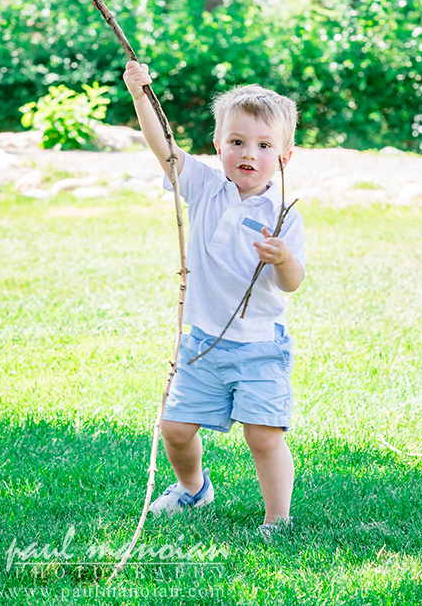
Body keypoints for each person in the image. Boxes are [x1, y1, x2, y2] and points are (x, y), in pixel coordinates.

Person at [123, 61, 306, 537]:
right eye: (238, 142)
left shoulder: (282, 213)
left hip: (259, 345)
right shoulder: (205, 188)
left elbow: (292, 282)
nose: (250, 153)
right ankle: (193, 488)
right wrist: (142, 96)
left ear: (286, 156)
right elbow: (164, 149)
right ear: (218, 146)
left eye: (265, 145)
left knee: (263, 436)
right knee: (175, 429)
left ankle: (277, 517)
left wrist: (281, 258)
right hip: (202, 343)